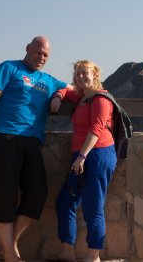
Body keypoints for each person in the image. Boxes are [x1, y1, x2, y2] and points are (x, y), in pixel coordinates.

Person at [0, 36, 69, 262]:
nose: (41, 58)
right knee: (7, 194)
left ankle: (10, 245)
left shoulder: (47, 80)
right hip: (5, 137)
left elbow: (73, 87)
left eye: (45, 55)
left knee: (38, 193)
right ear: (28, 49)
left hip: (32, 141)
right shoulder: (9, 68)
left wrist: (59, 94)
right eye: (38, 52)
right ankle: (10, 254)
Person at [48, 60, 117, 262]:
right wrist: (59, 96)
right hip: (81, 156)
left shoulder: (101, 99)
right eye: (77, 73)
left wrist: (82, 157)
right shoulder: (82, 97)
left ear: (95, 74)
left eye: (84, 73)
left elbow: (96, 129)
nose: (80, 76)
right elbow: (65, 88)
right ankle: (67, 252)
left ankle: (93, 256)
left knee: (93, 206)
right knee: (65, 201)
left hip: (97, 154)